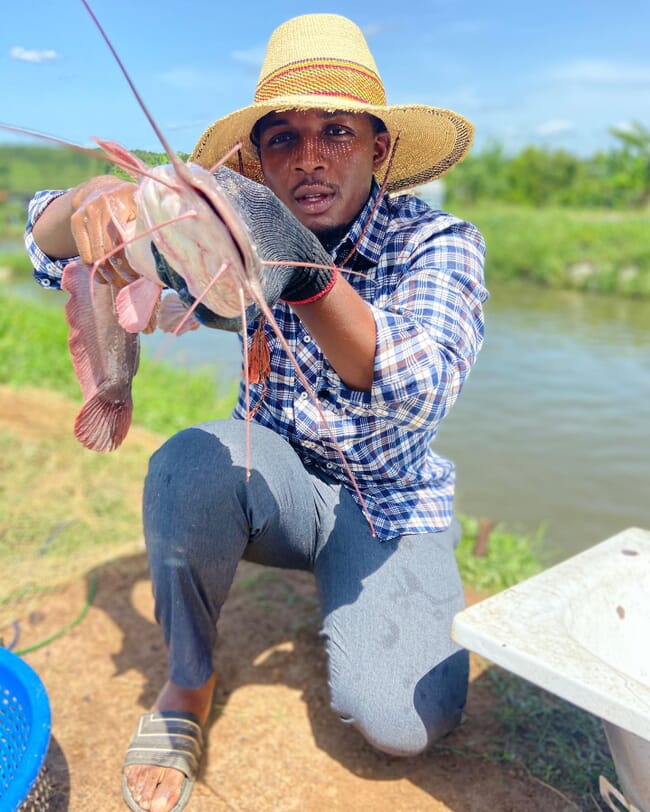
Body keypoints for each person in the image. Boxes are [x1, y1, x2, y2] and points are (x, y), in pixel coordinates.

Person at [25, 13, 487, 812]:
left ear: (379, 147)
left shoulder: (437, 241)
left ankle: (366, 591)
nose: (309, 156)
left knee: (408, 722)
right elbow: (46, 245)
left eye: (336, 131)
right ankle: (186, 683)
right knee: (185, 464)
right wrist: (92, 203)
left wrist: (305, 274)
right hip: (272, 484)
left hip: (388, 506)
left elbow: (423, 383)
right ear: (260, 160)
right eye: (283, 138)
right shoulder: (230, 234)